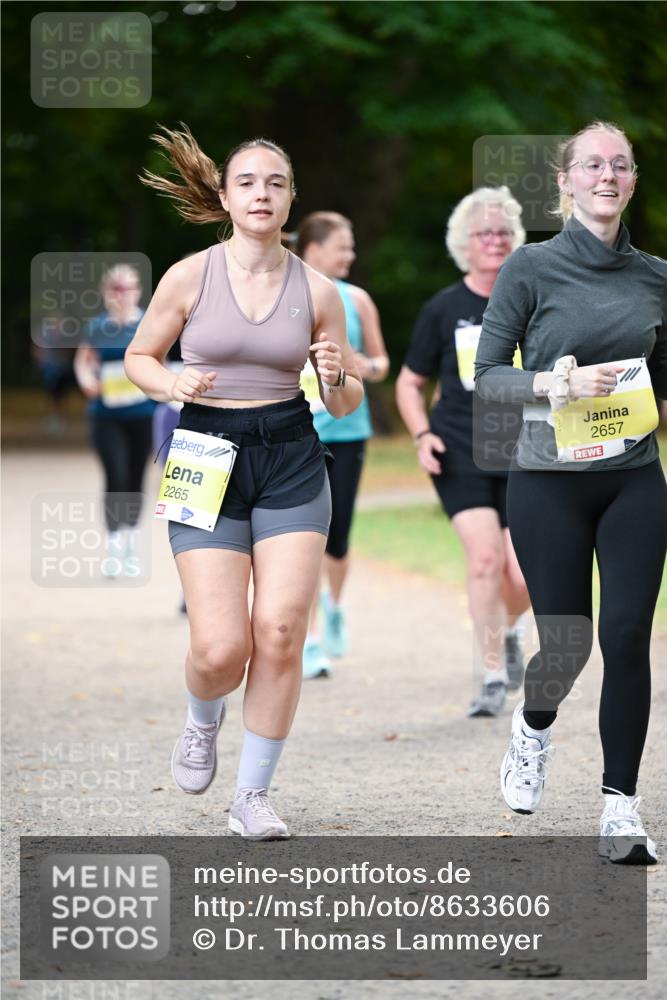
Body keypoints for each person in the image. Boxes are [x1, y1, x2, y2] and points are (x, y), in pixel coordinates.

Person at [125, 126, 363, 839]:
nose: (262, 194)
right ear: (225, 198)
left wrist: (332, 376)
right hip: (205, 451)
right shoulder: (189, 277)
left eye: (276, 183)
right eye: (248, 183)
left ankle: (252, 795)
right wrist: (170, 381)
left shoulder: (319, 290)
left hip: (289, 452)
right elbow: (140, 354)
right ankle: (203, 719)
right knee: (219, 649)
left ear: (291, 199)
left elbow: (347, 399)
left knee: (283, 630)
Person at [475, 121, 667, 864]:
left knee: (625, 637)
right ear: (565, 180)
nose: (606, 175)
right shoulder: (529, 268)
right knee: (568, 643)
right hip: (548, 482)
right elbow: (487, 374)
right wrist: (551, 383)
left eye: (619, 165)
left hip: (631, 481)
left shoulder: (655, 276)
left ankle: (620, 807)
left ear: (631, 180)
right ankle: (531, 730)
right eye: (591, 164)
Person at [396, 187, 530, 718]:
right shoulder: (443, 308)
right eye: (484, 233)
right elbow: (410, 383)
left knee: (522, 576)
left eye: (503, 232)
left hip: (525, 449)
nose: (495, 240)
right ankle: (493, 675)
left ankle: (514, 628)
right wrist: (420, 435)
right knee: (484, 560)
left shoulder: (531, 299)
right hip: (459, 447)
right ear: (464, 244)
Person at [294, 212, 389, 678]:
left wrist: (353, 367)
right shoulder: (286, 294)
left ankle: (333, 606)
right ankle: (310, 640)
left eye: (351, 247)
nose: (350, 255)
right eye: (342, 246)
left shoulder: (358, 300)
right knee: (305, 537)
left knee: (338, 538)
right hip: (299, 433)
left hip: (348, 430)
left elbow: (382, 361)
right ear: (314, 248)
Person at [74, 264, 155, 577]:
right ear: (108, 293)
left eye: (129, 287)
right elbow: (84, 360)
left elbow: (160, 359)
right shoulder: (98, 326)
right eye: (117, 288)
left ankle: (131, 542)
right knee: (115, 476)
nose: (124, 294)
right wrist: (86, 381)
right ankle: (113, 545)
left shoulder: (149, 324)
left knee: (135, 479)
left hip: (141, 414)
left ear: (137, 291)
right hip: (106, 416)